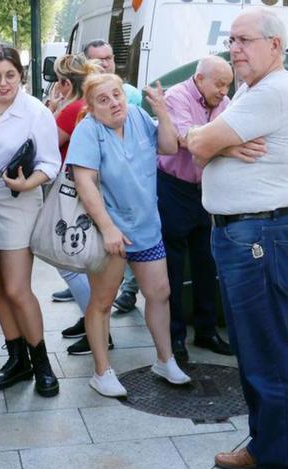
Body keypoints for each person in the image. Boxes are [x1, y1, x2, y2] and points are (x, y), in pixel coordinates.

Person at [186, 8, 288, 469]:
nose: (233, 48)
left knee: (267, 357)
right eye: (231, 40)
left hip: (257, 235)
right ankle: (263, 446)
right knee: (252, 352)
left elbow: (196, 142)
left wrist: (214, 143)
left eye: (244, 40)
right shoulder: (252, 90)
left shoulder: (273, 91)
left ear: (275, 45)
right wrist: (220, 145)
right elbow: (195, 140)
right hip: (242, 234)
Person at [68, 72, 192, 397]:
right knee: (103, 301)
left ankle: (165, 360)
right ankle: (102, 371)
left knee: (159, 293)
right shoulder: (88, 131)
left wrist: (162, 110)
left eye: (116, 95)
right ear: (92, 108)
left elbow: (167, 146)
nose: (113, 103)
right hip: (109, 233)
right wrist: (108, 228)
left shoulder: (137, 115)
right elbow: (85, 183)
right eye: (103, 100)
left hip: (147, 227)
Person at [0, 44, 61, 397]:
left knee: (18, 288)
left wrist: (27, 183)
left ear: (21, 76)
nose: (3, 83)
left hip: (17, 197)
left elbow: (50, 164)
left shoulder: (35, 112)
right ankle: (16, 358)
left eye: (10, 75)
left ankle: (43, 365)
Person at [159, 55, 234, 362]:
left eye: (228, 84)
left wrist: (218, 142)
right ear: (200, 79)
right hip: (174, 186)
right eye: (219, 83)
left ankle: (206, 330)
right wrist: (222, 143)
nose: (224, 90)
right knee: (174, 266)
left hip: (207, 188)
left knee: (207, 262)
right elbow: (185, 139)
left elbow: (222, 137)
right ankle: (175, 336)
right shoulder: (177, 96)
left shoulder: (224, 101)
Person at [43, 54, 103, 355]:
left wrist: (51, 110)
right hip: (84, 187)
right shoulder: (86, 105)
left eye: (58, 81)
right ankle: (90, 319)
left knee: (67, 262)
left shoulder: (71, 110)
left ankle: (98, 328)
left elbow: (46, 144)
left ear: (65, 83)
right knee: (82, 261)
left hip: (70, 192)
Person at [82, 39, 141, 314]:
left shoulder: (131, 96)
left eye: (108, 58)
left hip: (132, 205)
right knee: (100, 296)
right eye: (98, 59)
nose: (105, 63)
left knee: (157, 289)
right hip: (98, 203)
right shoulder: (87, 111)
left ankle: (129, 289)